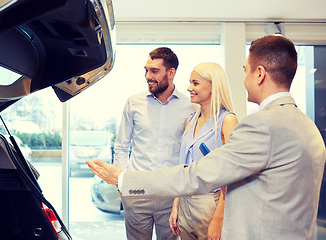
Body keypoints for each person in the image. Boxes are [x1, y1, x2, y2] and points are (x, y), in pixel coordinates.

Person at [87, 35, 326, 240]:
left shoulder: (261, 125)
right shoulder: (307, 127)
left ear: (260, 74)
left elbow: (198, 174)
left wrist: (124, 179)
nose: (243, 81)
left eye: (246, 71)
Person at [113, 47, 195, 240]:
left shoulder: (190, 107)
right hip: (136, 192)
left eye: (154, 71)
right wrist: (122, 183)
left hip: (171, 195)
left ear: (171, 72)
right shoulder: (133, 103)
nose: (148, 76)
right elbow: (121, 146)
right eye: (146, 70)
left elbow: (190, 153)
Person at [169, 62, 238, 240]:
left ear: (213, 87)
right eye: (190, 82)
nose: (189, 88)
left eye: (195, 83)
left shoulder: (227, 121)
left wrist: (219, 219)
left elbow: (231, 175)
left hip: (210, 202)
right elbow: (182, 167)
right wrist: (176, 204)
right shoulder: (190, 121)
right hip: (185, 200)